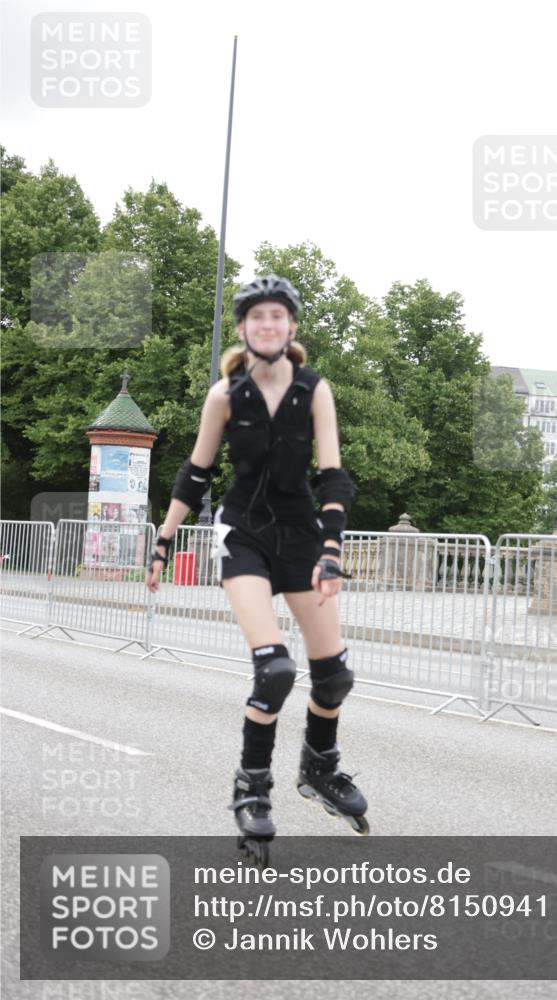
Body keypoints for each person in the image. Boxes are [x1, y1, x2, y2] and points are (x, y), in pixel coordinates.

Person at [145, 275, 368, 864]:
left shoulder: (314, 390)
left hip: (300, 535)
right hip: (243, 531)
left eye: (277, 316)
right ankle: (253, 787)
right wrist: (164, 539)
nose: (267, 326)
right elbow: (196, 473)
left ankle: (320, 765)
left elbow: (332, 476)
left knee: (333, 676)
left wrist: (331, 547)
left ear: (291, 327)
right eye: (256, 317)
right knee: (275, 670)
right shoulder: (225, 395)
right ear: (243, 329)